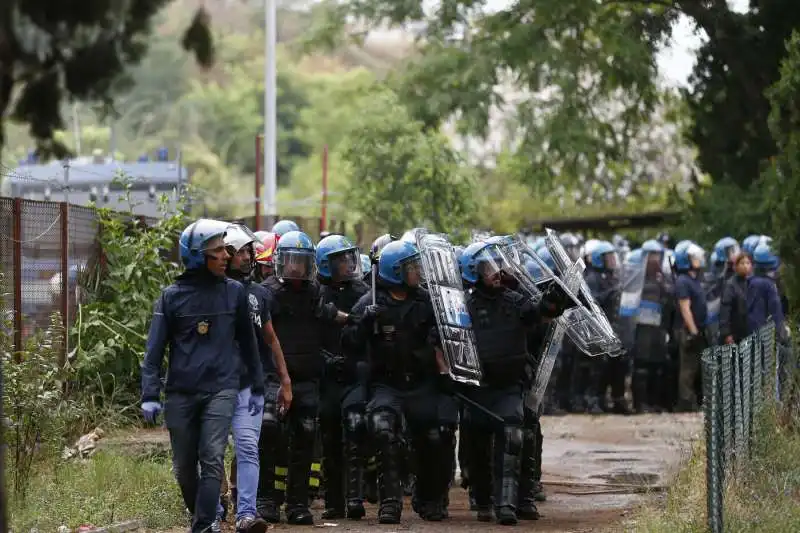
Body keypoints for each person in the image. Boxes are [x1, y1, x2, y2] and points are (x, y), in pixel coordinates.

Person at [141, 219, 265, 533]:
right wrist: (150, 395)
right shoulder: (171, 297)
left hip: (222, 389)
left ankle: (203, 525)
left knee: (212, 457)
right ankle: (208, 515)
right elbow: (154, 351)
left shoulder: (234, 292)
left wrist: (258, 385)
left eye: (226, 249)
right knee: (184, 468)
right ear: (198, 257)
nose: (227, 255)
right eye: (219, 250)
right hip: (181, 393)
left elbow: (249, 341)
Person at [342, 240, 455, 524]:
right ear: (396, 271)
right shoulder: (370, 302)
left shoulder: (427, 302)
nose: (417, 271)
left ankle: (428, 498)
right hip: (386, 384)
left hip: (421, 383)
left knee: (437, 435)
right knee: (382, 427)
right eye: (411, 267)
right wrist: (364, 324)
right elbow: (349, 345)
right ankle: (390, 501)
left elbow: (449, 337)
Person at [458, 240, 570, 525]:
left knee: (513, 433)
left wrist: (553, 300)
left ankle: (508, 504)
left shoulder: (513, 300)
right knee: (478, 446)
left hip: (509, 386)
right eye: (488, 268)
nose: (496, 272)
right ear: (473, 273)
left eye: (497, 265)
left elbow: (538, 311)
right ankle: (483, 500)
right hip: (477, 390)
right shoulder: (462, 307)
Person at [261, 230, 340, 525]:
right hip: (274, 378)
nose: (296, 267)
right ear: (281, 261)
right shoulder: (267, 292)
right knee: (269, 431)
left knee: (306, 435)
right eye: (291, 261)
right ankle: (266, 499)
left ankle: (297, 504)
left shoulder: (316, 292)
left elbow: (331, 324)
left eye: (302, 261)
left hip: (307, 378)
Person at [222, 224, 292, 533]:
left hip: (250, 387)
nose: (249, 256)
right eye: (243, 252)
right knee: (209, 452)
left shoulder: (259, 295)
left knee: (248, 447)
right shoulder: (212, 293)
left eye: (251, 251)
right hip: (215, 386)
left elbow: (271, 339)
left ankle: (246, 514)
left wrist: (285, 380)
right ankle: (212, 508)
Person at [313, 235, 370, 520]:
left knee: (356, 430)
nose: (348, 264)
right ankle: (334, 502)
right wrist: (326, 360)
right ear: (327, 265)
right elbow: (307, 337)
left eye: (349, 258)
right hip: (326, 378)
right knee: (331, 439)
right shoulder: (315, 294)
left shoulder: (362, 291)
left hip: (353, 374)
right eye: (341, 260)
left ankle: (355, 498)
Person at [673, 241, 708, 412]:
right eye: (694, 257)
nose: (698, 259)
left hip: (697, 328)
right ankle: (686, 402)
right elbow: (685, 308)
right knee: (688, 367)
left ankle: (694, 399)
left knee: (696, 366)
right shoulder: (683, 281)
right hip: (688, 330)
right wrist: (693, 330)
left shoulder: (694, 280)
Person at [719, 253, 751, 345]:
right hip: (735, 335)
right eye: (742, 263)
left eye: (748, 263)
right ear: (735, 267)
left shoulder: (752, 282)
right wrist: (726, 334)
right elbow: (724, 310)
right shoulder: (730, 285)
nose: (745, 266)